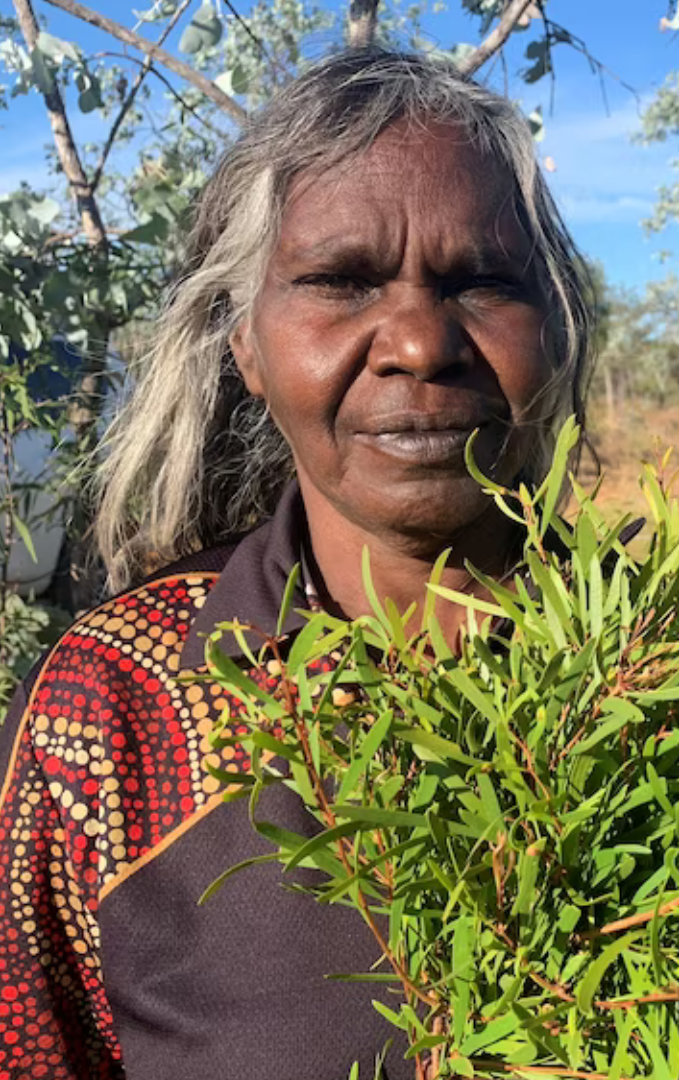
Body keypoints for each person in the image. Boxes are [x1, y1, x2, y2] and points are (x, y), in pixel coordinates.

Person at [0, 48, 594, 1079]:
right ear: (248, 347)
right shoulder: (107, 715)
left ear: (555, 326)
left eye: (483, 281)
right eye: (339, 280)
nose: (417, 340)